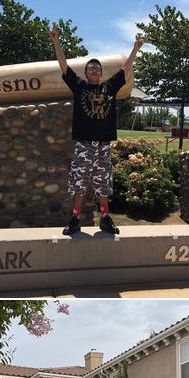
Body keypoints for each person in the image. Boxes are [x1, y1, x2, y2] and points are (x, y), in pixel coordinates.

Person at [50, 25, 145, 236]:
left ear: (101, 73)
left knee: (103, 185)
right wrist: (56, 41)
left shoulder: (109, 87)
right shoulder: (80, 87)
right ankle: (75, 219)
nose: (94, 69)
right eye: (91, 68)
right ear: (86, 73)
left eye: (97, 68)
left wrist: (135, 48)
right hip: (83, 144)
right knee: (78, 184)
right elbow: (64, 66)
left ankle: (105, 218)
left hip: (103, 146)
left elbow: (126, 69)